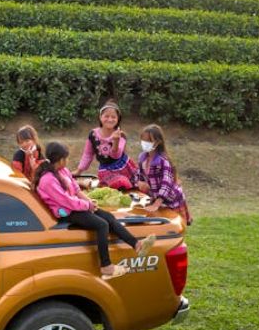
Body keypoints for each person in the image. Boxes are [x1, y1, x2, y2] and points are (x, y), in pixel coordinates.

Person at [35, 141, 155, 279]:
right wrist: (87, 206)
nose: (67, 160)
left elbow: (76, 189)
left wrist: (88, 201)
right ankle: (106, 266)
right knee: (101, 225)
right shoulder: (48, 180)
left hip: (76, 205)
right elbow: (66, 201)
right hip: (66, 212)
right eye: (66, 158)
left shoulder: (63, 171)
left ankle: (137, 244)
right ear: (60, 159)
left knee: (108, 217)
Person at [73, 100, 140, 191]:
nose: (110, 119)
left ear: (118, 119)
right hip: (105, 170)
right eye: (106, 116)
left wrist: (116, 141)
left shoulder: (121, 135)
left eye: (113, 117)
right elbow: (88, 154)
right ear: (100, 117)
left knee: (125, 186)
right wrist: (79, 171)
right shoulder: (93, 134)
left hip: (123, 167)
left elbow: (116, 155)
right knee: (110, 189)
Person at [136, 124, 193, 227]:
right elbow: (139, 176)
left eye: (149, 141)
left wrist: (156, 204)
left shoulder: (163, 161)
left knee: (175, 228)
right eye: (143, 140)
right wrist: (140, 183)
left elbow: (166, 184)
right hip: (156, 199)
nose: (145, 143)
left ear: (157, 142)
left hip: (171, 201)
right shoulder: (142, 159)